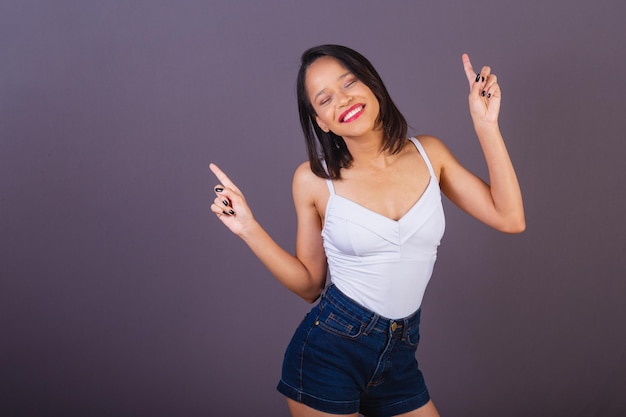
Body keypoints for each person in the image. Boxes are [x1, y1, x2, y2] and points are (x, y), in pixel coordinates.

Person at [209, 44, 525, 417]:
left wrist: (486, 126)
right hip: (329, 351)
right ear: (321, 121)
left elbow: (509, 218)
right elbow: (310, 284)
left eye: (349, 83)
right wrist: (249, 228)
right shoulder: (313, 180)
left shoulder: (429, 154)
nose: (343, 100)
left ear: (372, 84)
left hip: (399, 353)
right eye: (325, 99)